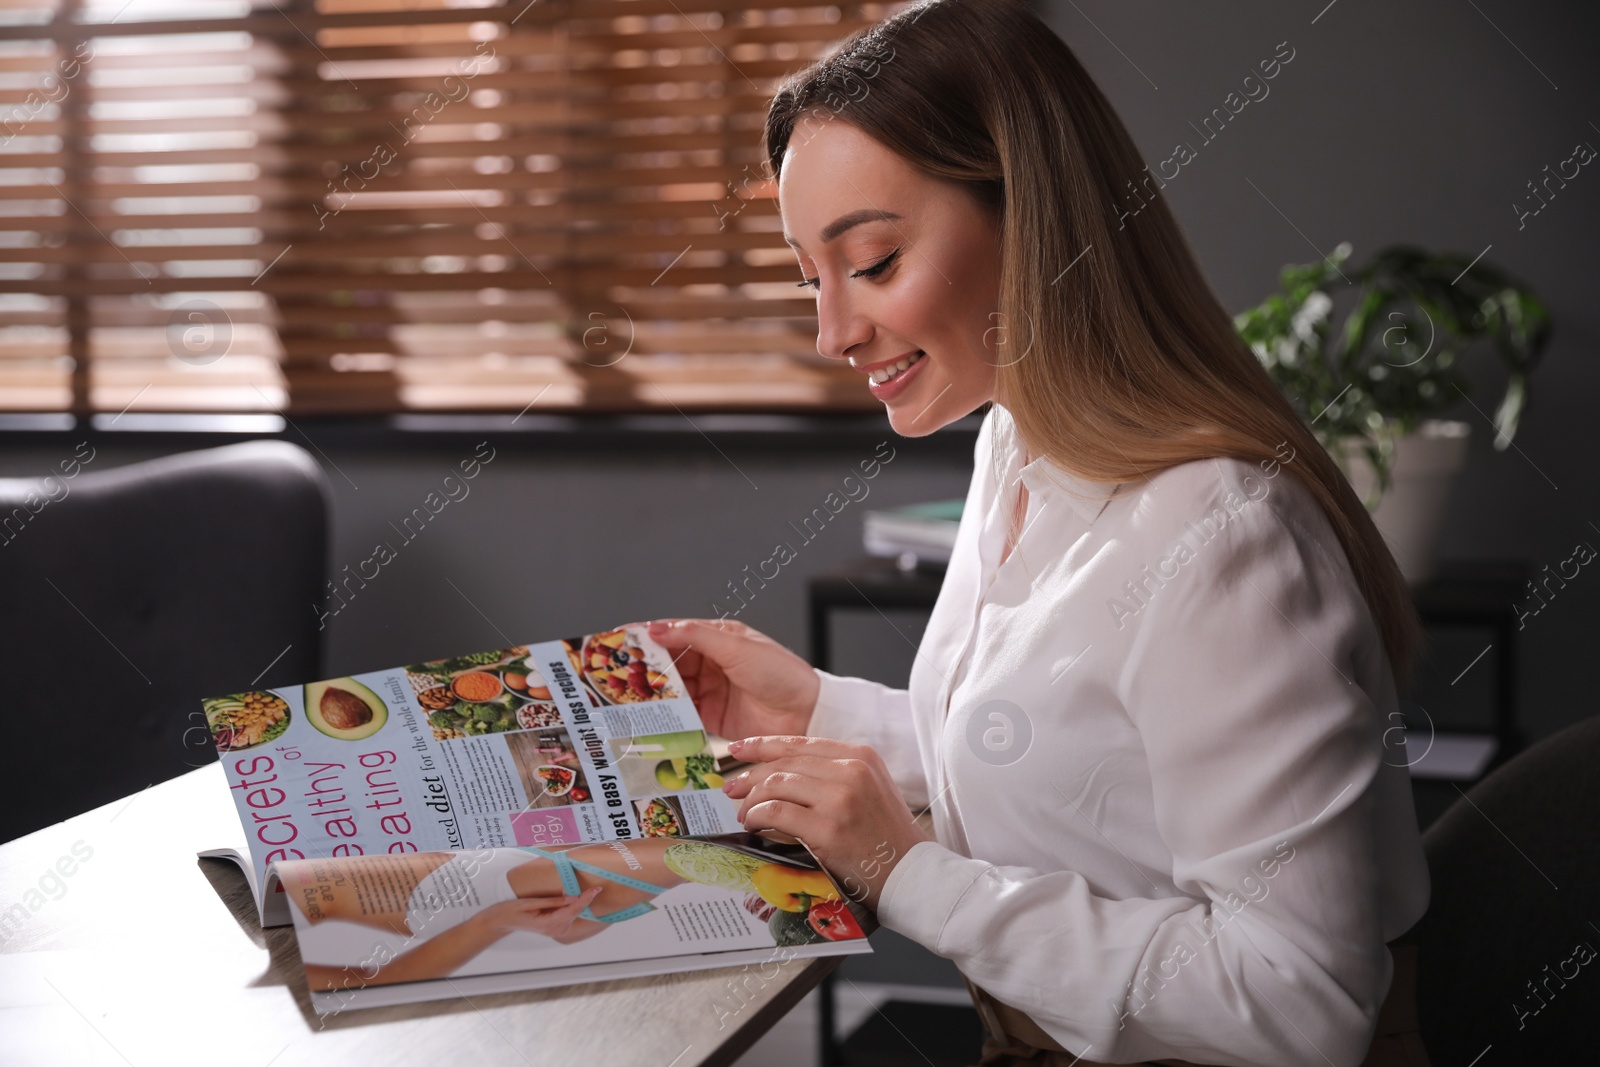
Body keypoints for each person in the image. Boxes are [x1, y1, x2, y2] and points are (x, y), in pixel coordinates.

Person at [644, 1, 1431, 1064]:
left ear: (1033, 220)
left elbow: (1302, 1004)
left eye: (871, 262)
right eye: (808, 276)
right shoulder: (1014, 442)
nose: (832, 330)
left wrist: (910, 873)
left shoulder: (1218, 534)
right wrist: (820, 707)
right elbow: (1076, 773)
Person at [282, 838, 752, 991]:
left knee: (693, 857)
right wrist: (494, 921)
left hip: (498, 899)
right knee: (687, 855)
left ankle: (774, 862)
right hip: (460, 906)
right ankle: (780, 866)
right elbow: (370, 979)